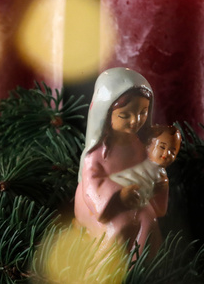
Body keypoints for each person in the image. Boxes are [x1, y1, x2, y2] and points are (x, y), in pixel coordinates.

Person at [74, 67, 166, 254]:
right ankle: (108, 268)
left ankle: (145, 266)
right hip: (104, 205)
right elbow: (92, 184)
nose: (136, 121)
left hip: (135, 198)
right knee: (119, 227)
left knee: (148, 219)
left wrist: (155, 183)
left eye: (143, 113)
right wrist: (119, 195)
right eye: (125, 115)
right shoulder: (98, 153)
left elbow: (146, 168)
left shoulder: (138, 144)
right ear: (106, 114)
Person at [110, 124, 182, 209]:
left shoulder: (162, 177)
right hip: (120, 185)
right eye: (162, 147)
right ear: (149, 145)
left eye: (172, 152)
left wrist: (156, 191)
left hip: (137, 201)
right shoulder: (139, 158)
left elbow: (160, 208)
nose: (166, 154)